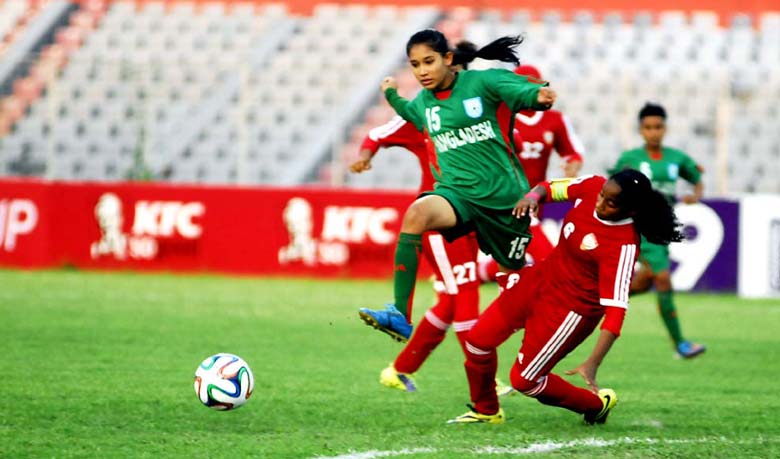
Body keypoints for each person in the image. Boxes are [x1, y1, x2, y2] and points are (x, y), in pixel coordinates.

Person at [357, 29, 556, 343]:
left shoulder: (481, 82)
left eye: (428, 62)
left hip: (504, 202)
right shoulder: (425, 102)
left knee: (516, 277)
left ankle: (545, 322)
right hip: (458, 195)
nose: (422, 71)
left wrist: (539, 97)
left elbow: (520, 89)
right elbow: (410, 111)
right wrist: (392, 93)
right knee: (416, 215)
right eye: (415, 64)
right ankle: (399, 313)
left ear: (448, 59)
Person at [448, 170, 684, 424]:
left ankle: (595, 405)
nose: (600, 204)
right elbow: (550, 188)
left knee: (524, 381)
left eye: (611, 203)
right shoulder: (593, 185)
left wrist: (593, 362)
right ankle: (487, 410)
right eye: (602, 195)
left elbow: (615, 312)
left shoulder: (623, 245)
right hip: (539, 280)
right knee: (477, 342)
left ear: (632, 211)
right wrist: (532, 196)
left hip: (569, 311)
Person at [350, 42, 506, 393]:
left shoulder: (481, 112)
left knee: (450, 302)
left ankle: (400, 369)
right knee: (465, 292)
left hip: (474, 214)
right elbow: (377, 134)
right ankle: (485, 380)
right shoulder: (425, 112)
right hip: (440, 221)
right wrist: (364, 156)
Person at [611, 102, 706, 359]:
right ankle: (681, 344)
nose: (654, 132)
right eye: (648, 127)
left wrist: (694, 195)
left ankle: (597, 298)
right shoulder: (630, 159)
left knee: (643, 282)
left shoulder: (677, 158)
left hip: (660, 229)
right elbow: (611, 187)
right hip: (635, 226)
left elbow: (697, 179)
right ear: (641, 130)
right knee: (662, 278)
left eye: (658, 127)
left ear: (665, 128)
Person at [479, 64, 586, 281]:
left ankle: (480, 273)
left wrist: (572, 166)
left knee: (515, 253)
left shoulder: (554, 119)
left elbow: (572, 153)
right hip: (506, 197)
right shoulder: (499, 114)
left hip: (536, 197)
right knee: (546, 256)